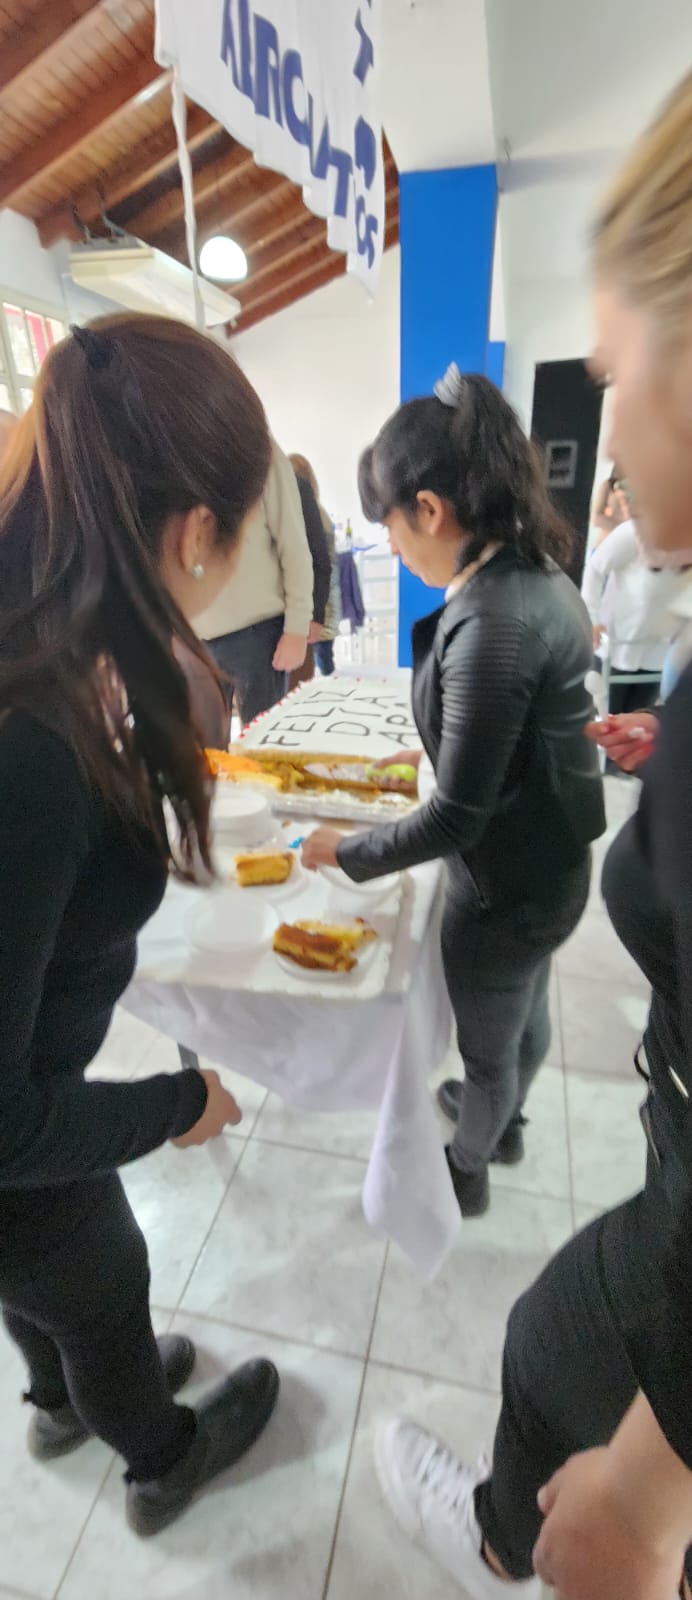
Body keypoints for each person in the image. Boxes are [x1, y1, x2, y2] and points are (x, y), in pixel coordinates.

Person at [368, 24, 692, 1600]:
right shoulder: (541, 594)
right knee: (511, 1020)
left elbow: (458, 801)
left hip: (523, 891)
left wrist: (650, 1502)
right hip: (556, 863)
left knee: (494, 1036)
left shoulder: (509, 618)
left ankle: (475, 1148)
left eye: (608, 361)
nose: (607, 405)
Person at [0, 313, 280, 1538]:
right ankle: (161, 1453)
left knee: (47, 1276)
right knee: (103, 1277)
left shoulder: (47, 631)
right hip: (15, 1132)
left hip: (26, 1099)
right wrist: (176, 1104)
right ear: (194, 530)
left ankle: (59, 1394)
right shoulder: (29, 747)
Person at [302, 364, 606, 1218]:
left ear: (430, 510)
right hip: (551, 866)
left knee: (487, 1044)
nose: (394, 548)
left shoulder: (492, 623)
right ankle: (501, 1122)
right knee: (524, 1006)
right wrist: (431, 753)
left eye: (392, 528)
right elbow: (509, 741)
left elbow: (456, 818)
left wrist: (346, 851)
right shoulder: (537, 574)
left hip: (503, 888)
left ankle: (468, 1165)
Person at [196, 440, 312, 725]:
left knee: (262, 743)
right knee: (204, 747)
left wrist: (297, 628)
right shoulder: (179, 450)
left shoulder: (261, 449)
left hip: (258, 636)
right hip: (195, 638)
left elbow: (294, 545)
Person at [581, 513, 692, 720]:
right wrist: (592, 619)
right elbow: (595, 568)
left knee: (636, 726)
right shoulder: (634, 531)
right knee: (605, 720)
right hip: (616, 648)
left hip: (659, 655)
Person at [290, 451, 341, 675]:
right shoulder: (322, 515)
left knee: (318, 660)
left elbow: (319, 564)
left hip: (318, 605)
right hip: (327, 601)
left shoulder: (307, 518)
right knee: (324, 656)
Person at [590, 466, 630, 545]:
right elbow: (596, 518)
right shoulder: (608, 485)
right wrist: (623, 529)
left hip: (629, 543)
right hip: (607, 541)